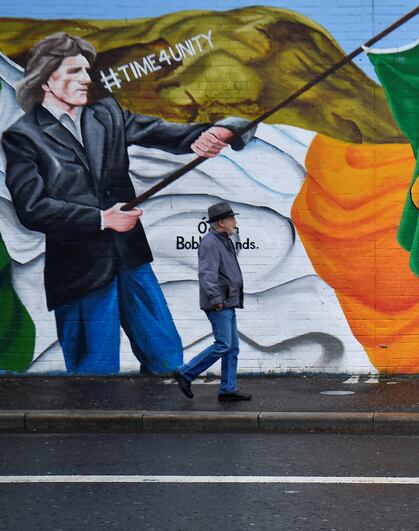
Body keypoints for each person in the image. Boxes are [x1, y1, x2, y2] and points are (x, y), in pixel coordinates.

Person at [1, 33, 251, 374]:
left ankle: (166, 422)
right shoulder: (23, 136)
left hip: (131, 257)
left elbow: (160, 131)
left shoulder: (105, 113)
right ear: (46, 77)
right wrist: (102, 219)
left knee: (167, 357)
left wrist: (211, 134)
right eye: (75, 72)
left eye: (86, 71)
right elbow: (32, 208)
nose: (86, 80)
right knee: (94, 372)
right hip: (80, 271)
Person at [175, 201, 250, 401]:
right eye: (231, 218)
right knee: (223, 344)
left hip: (228, 301)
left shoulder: (224, 240)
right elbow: (207, 274)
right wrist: (217, 299)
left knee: (232, 347)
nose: (234, 222)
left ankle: (227, 389)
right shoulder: (210, 242)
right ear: (221, 222)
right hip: (220, 303)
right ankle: (186, 373)